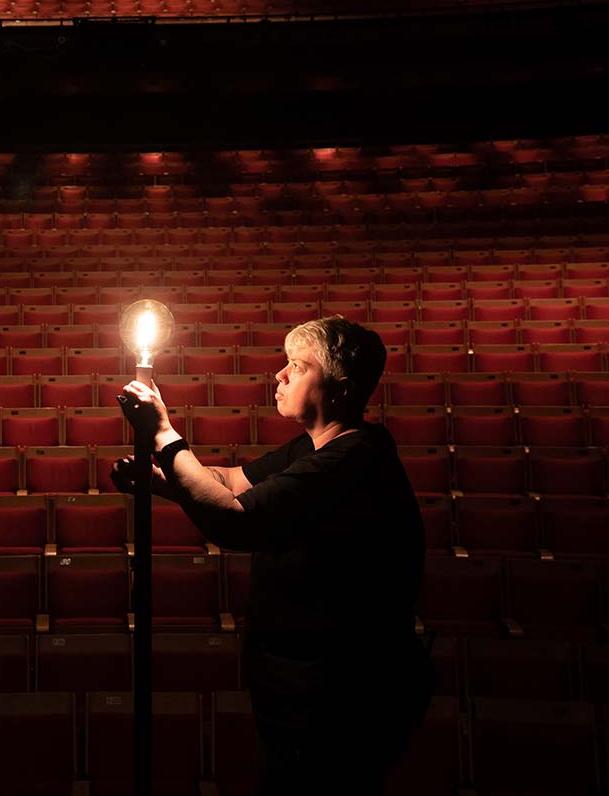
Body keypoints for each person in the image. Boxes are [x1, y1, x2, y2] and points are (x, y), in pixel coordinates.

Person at [113, 316, 432, 795]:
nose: (279, 375)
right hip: (300, 692)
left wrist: (162, 433)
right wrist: (165, 482)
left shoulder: (350, 462)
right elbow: (233, 481)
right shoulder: (318, 446)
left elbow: (235, 517)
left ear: (339, 390)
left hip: (339, 702)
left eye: (297, 366)